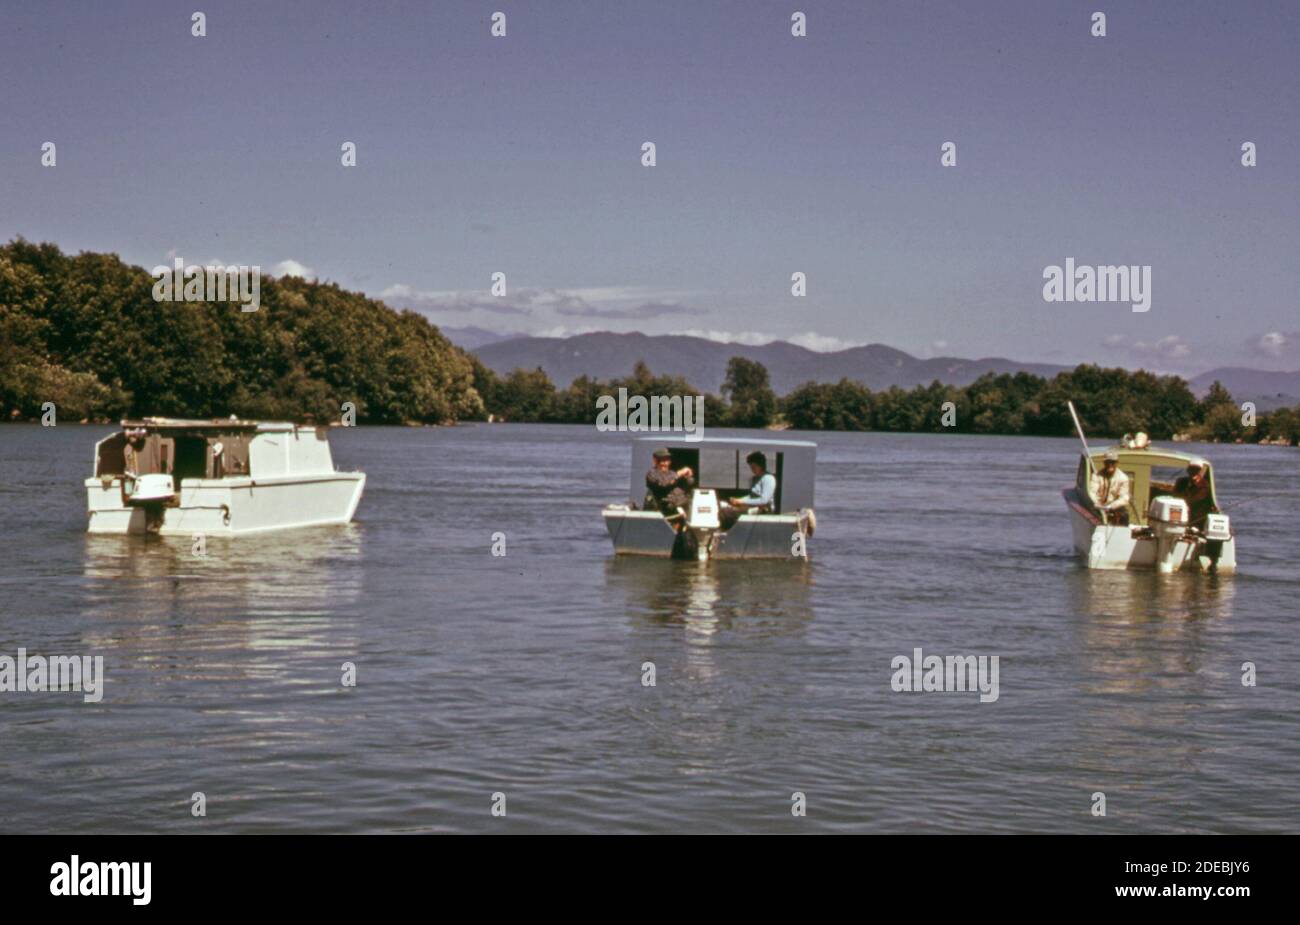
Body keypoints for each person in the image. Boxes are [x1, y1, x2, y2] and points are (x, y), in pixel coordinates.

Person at [1174, 458, 1223, 569]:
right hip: (1180, 515)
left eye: (1196, 470)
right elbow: (1175, 495)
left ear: (1200, 471)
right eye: (1191, 470)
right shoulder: (1181, 482)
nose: (1193, 472)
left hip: (1198, 518)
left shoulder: (1205, 486)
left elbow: (1197, 499)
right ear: (1188, 470)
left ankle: (1212, 561)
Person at [721, 451, 777, 527]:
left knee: (729, 513)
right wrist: (737, 500)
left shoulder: (769, 479)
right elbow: (751, 496)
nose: (752, 469)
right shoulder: (755, 479)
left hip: (763, 510)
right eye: (751, 467)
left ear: (760, 465)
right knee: (724, 509)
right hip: (753, 507)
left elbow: (764, 500)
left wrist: (741, 502)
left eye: (754, 467)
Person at [644, 447, 694, 516]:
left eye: (667, 460)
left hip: (682, 504)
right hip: (666, 508)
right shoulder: (652, 474)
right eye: (661, 460)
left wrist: (688, 477)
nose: (664, 463)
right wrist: (679, 474)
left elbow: (689, 483)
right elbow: (664, 483)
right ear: (655, 461)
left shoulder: (672, 473)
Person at [1088, 451, 1131, 524]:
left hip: (1113, 505)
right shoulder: (1096, 476)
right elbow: (1092, 492)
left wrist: (1111, 506)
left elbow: (1124, 498)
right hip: (1097, 505)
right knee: (1091, 514)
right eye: (1108, 462)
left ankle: (1122, 533)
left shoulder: (1123, 478)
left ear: (1117, 463)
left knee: (1125, 515)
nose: (1110, 464)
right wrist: (1096, 503)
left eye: (1113, 462)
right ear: (1104, 463)